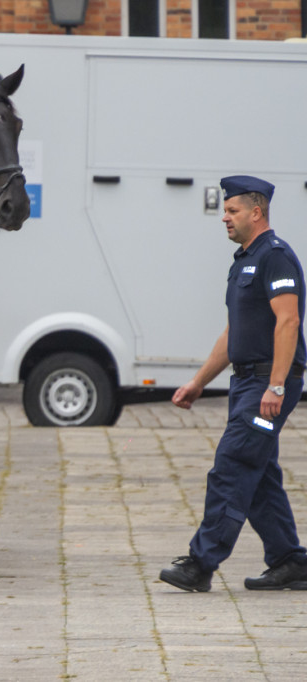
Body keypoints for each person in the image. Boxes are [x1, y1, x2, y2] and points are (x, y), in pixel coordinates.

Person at [159, 175, 307, 592]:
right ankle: (289, 561)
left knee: (233, 467)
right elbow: (233, 334)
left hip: (267, 382)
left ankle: (200, 564)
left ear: (256, 212)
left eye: (232, 210)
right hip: (247, 384)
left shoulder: (276, 257)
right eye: (225, 210)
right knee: (259, 474)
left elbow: (289, 320)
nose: (225, 217)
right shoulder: (244, 260)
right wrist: (197, 382)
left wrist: (276, 386)